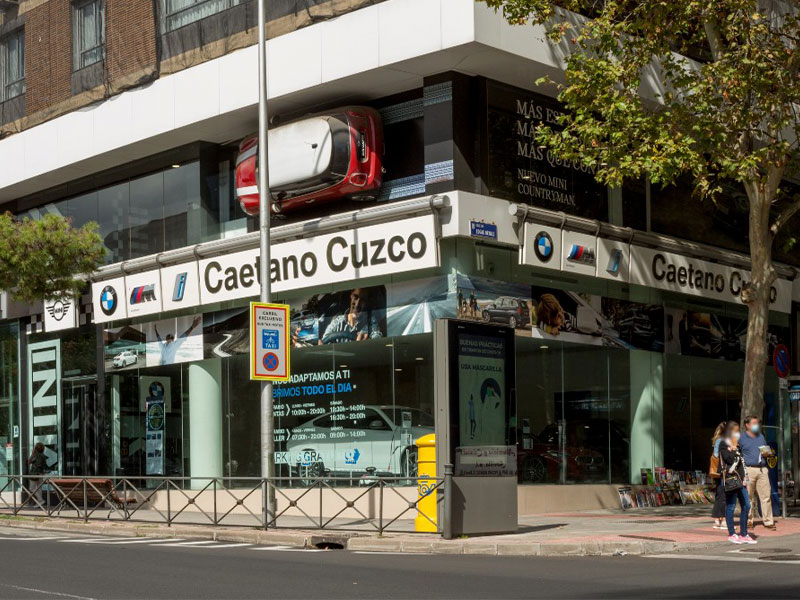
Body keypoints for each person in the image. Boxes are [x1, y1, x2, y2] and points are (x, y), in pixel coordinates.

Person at [719, 421, 756, 544]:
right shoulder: (723, 444)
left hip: (741, 479)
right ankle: (732, 533)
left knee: (746, 505)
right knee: (731, 506)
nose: (737, 433)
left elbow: (741, 463)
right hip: (731, 479)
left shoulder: (738, 444)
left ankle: (744, 533)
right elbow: (728, 460)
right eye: (735, 430)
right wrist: (733, 450)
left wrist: (745, 478)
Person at [739, 415, 776, 529]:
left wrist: (767, 453)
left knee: (766, 496)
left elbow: (766, 450)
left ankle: (768, 521)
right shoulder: (741, 438)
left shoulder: (761, 436)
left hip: (762, 469)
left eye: (757, 423)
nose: (757, 425)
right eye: (754, 423)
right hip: (748, 470)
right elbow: (737, 453)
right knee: (748, 497)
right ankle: (748, 521)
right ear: (747, 425)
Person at [710, 421, 727, 529]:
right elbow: (716, 455)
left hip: (718, 471)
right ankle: (723, 519)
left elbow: (715, 455)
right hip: (723, 471)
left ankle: (717, 519)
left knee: (719, 495)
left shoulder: (717, 440)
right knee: (723, 496)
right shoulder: (722, 441)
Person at [26, 442, 47, 508]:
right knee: (39, 488)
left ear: (36, 448)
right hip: (41, 473)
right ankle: (39, 503)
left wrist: (32, 454)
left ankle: (40, 500)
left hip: (35, 473)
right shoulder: (43, 456)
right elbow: (44, 465)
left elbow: (29, 462)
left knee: (31, 488)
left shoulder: (35, 455)